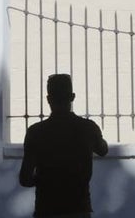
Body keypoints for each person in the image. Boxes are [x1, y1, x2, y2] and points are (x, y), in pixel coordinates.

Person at [19, 74, 109, 218]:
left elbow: (25, 179)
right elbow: (103, 150)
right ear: (72, 97)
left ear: (48, 99)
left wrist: (45, 178)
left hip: (46, 208)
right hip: (79, 208)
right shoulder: (88, 128)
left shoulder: (35, 132)